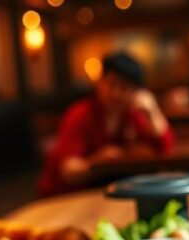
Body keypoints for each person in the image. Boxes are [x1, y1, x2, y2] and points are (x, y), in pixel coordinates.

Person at [37, 52, 174, 197]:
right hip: (63, 196)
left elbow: (164, 148)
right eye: (112, 84)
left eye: (124, 87)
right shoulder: (80, 114)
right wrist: (96, 161)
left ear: (135, 91)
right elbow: (68, 173)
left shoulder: (131, 114)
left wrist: (153, 111)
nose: (115, 93)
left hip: (103, 192)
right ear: (100, 81)